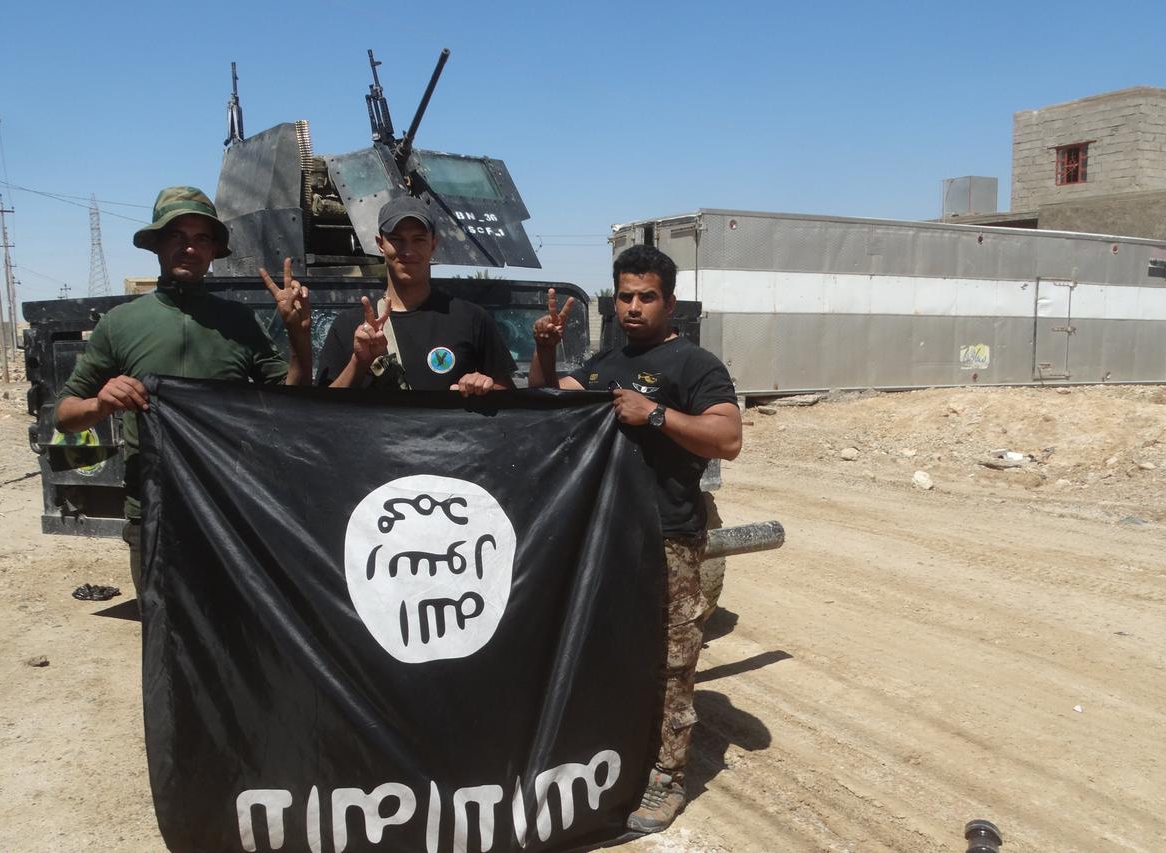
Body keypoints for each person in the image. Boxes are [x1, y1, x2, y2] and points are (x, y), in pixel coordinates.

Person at [529, 244, 742, 834]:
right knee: (611, 657)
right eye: (625, 296)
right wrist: (543, 351)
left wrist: (654, 415)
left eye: (647, 296)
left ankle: (668, 778)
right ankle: (617, 761)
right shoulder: (603, 365)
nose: (634, 307)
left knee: (672, 664)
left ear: (669, 302)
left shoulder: (695, 366)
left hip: (668, 540)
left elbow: (726, 438)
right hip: (607, 543)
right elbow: (545, 403)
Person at [56, 186, 313, 596]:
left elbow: (292, 402)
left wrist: (298, 336)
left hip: (228, 509)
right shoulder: (120, 323)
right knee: (162, 639)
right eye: (177, 236)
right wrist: (101, 403)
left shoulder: (238, 321)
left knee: (232, 635)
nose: (189, 248)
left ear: (214, 250)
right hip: (152, 512)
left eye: (201, 238)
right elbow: (64, 414)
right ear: (157, 243)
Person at [315, 195, 516, 395]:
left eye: (418, 240)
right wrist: (358, 363)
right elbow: (322, 414)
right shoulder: (349, 326)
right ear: (380, 244)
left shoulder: (471, 319)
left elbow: (511, 401)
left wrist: (482, 387)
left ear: (433, 244)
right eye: (396, 239)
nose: (408, 251)